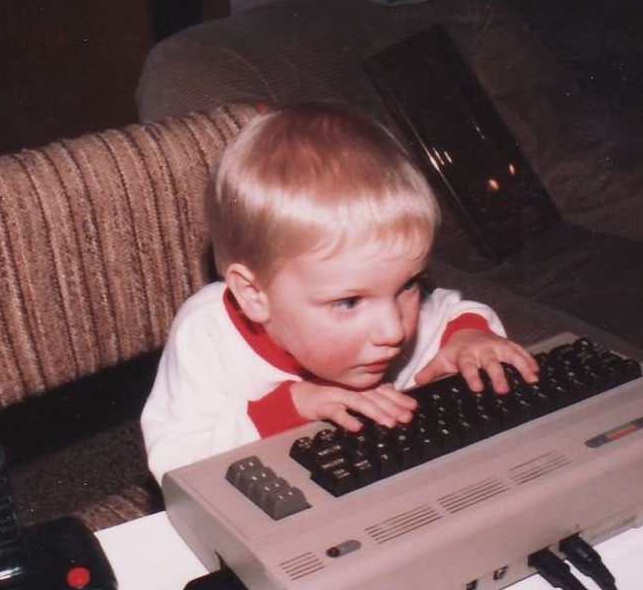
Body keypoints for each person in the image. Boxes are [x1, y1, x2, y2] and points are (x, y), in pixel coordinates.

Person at [141, 102, 539, 483]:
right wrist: (293, 406)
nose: (394, 331)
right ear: (254, 295)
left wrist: (470, 337)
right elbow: (175, 466)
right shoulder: (208, 335)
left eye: (407, 285)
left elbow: (452, 312)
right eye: (349, 302)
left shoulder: (387, 315)